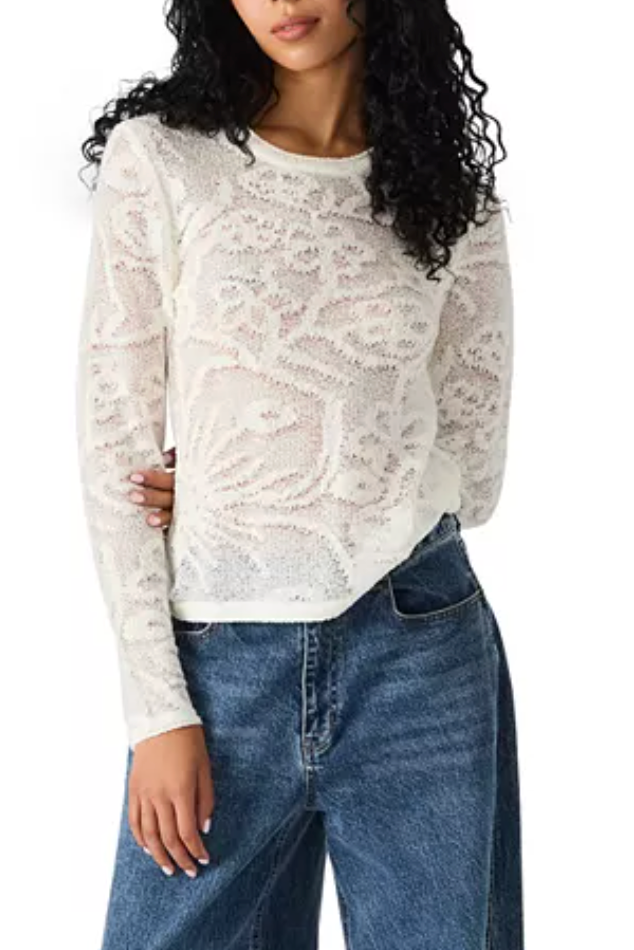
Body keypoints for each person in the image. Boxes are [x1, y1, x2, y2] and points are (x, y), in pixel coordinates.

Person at [75, 1, 523, 947]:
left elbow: (474, 476)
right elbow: (114, 443)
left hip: (418, 650)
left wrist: (263, 480)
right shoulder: (165, 161)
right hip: (220, 666)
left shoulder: (455, 201)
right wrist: (156, 712)